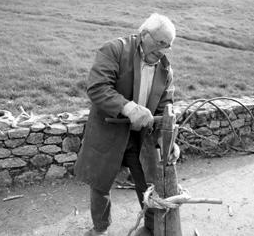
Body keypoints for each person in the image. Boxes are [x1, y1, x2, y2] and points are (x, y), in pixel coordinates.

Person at [74, 13, 178, 236]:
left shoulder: (165, 69)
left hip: (141, 138)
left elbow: (165, 106)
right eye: (160, 43)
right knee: (100, 185)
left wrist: (166, 139)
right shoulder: (115, 50)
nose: (162, 51)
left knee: (149, 187)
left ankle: (152, 228)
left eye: (167, 46)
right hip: (108, 132)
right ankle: (100, 229)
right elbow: (98, 87)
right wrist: (129, 108)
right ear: (143, 34)